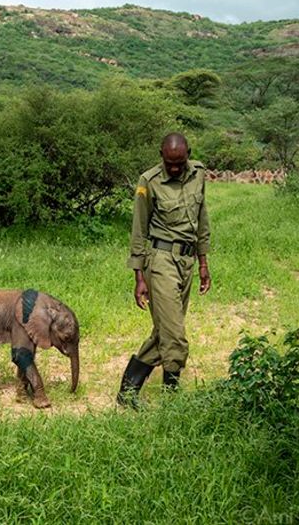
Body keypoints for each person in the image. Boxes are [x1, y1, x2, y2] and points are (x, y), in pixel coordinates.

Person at [117, 132, 212, 408]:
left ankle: (127, 392)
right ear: (161, 155)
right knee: (175, 335)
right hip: (160, 260)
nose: (173, 168)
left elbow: (202, 219)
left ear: (188, 155)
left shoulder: (198, 174)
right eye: (169, 163)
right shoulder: (149, 182)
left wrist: (203, 262)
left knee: (165, 331)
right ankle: (172, 397)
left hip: (187, 262)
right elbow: (139, 230)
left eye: (179, 163)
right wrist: (138, 277)